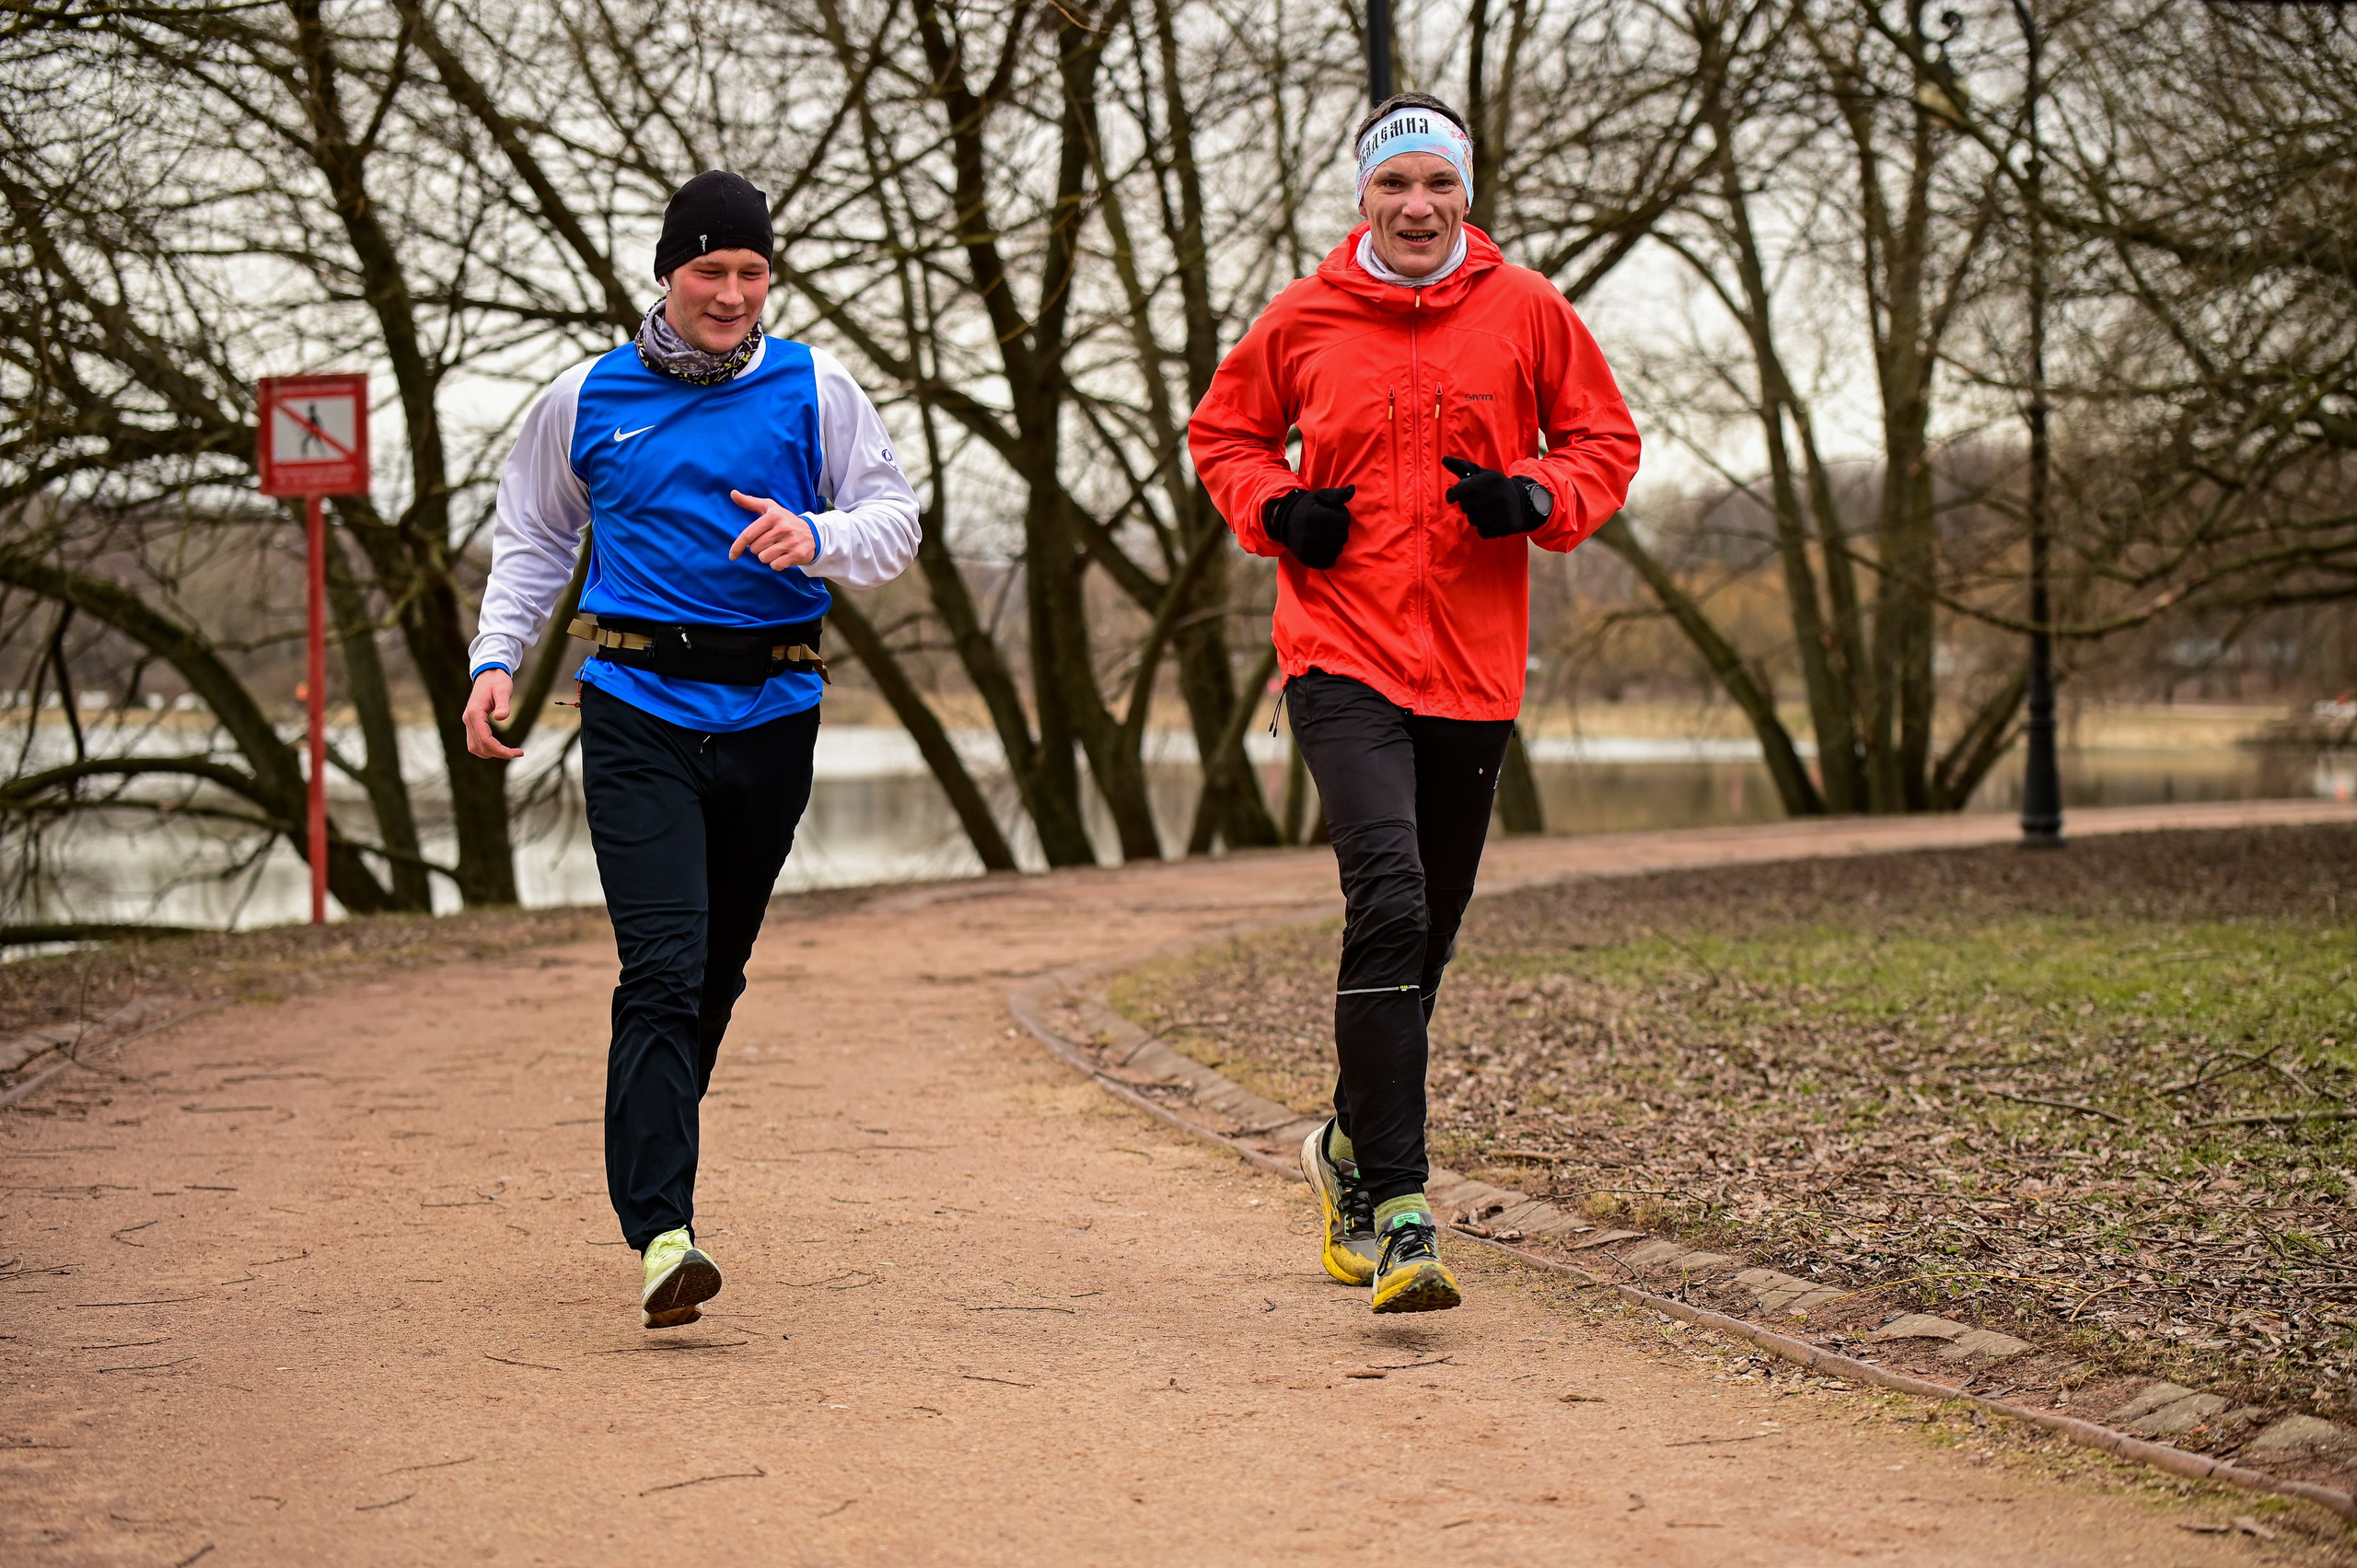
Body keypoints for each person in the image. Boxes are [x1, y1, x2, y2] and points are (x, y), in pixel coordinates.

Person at [1190, 95, 1640, 1314]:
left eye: (1438, 182)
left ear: (1466, 192)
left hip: (1476, 667)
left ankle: (1342, 1138)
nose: (1418, 205)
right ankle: (1398, 1206)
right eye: (1396, 186)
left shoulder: (1529, 310)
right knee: (1385, 892)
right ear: (1363, 198)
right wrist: (1278, 510)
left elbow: (1605, 439)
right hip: (1339, 651)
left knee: (1424, 933)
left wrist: (1536, 498)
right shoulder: (1304, 315)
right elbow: (1224, 435)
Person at [463, 170, 919, 1329]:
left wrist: (812, 532)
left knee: (713, 972)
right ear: (667, 273)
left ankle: (651, 1138)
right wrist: (495, 659)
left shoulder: (815, 386)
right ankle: (664, 1232)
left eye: (750, 272)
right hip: (635, 706)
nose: (730, 292)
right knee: (663, 963)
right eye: (709, 270)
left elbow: (894, 522)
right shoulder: (584, 397)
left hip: (773, 710)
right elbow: (530, 537)